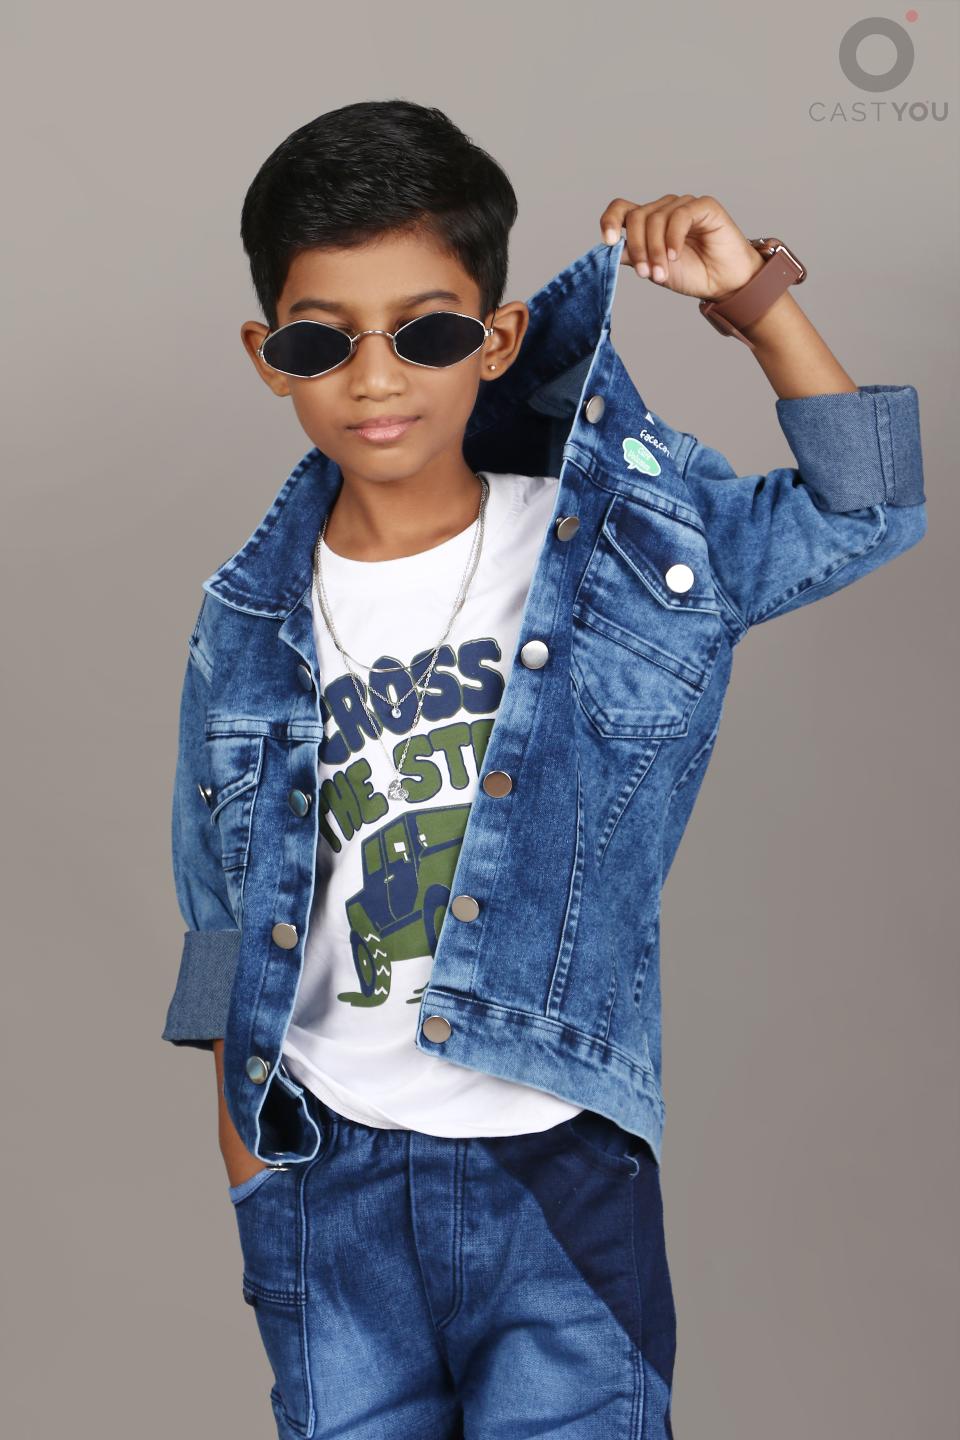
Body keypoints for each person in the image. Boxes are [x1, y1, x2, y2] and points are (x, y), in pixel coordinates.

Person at [161, 99, 927, 1439]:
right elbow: (219, 925)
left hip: (555, 1170)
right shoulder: (244, 618)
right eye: (322, 340)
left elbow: (868, 508)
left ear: (499, 339)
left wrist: (751, 300)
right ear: (267, 356)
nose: (377, 378)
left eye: (427, 332)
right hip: (327, 1181)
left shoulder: (622, 543)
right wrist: (255, 1183)